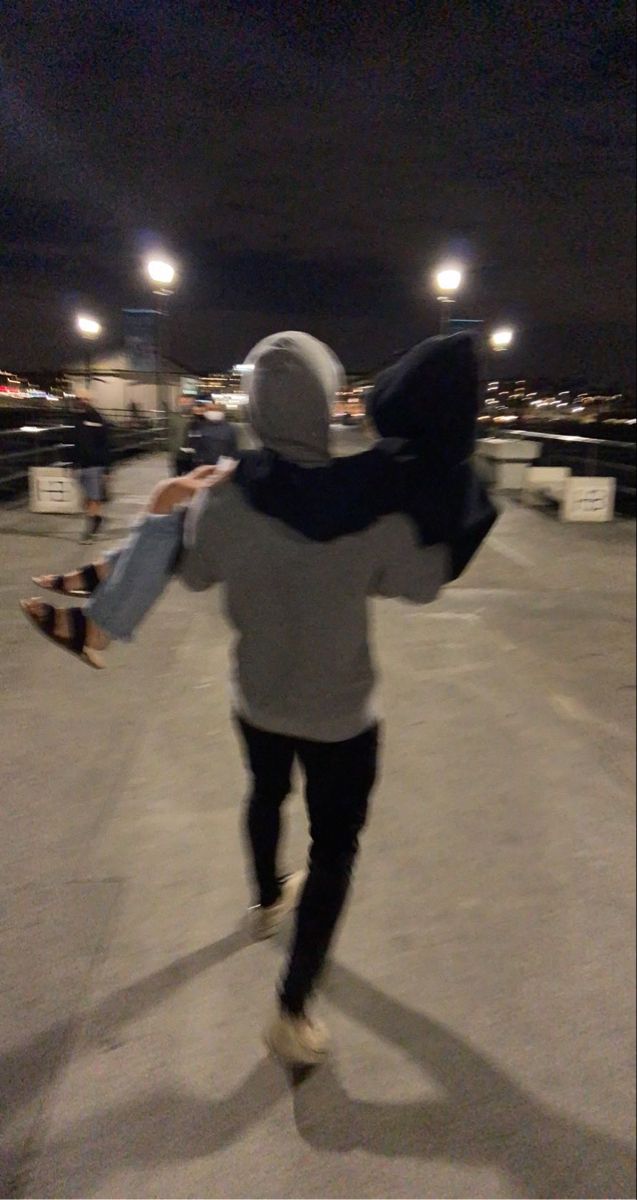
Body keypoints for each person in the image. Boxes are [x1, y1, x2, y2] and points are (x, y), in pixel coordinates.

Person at [22, 332, 496, 1065]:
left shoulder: (229, 500)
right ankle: (291, 1008)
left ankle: (267, 899)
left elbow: (197, 568)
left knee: (264, 793)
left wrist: (170, 508)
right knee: (334, 849)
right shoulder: (363, 508)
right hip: (342, 718)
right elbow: (422, 583)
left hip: (258, 701)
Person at [69, 394, 111, 544]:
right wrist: (73, 464)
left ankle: (89, 531)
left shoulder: (97, 419)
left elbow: (106, 444)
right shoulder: (76, 420)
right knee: (87, 499)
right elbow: (74, 443)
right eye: (79, 399)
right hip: (81, 465)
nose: (82, 401)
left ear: (90, 400)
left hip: (95, 465)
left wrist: (106, 469)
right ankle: (97, 519)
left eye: (85, 399)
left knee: (93, 498)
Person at [179, 396, 239, 471]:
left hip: (221, 468)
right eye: (210, 409)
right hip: (201, 467)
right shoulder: (196, 426)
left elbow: (233, 449)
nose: (214, 412)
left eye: (217, 410)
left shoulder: (230, 428)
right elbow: (189, 447)